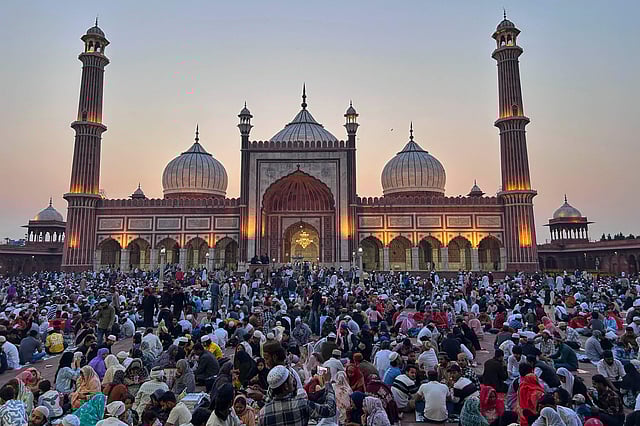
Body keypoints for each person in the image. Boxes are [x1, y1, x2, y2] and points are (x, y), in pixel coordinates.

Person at [259, 365, 336, 426]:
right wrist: (327, 383)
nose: (293, 380)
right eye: (291, 379)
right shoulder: (301, 404)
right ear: (286, 386)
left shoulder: (263, 413)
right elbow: (330, 410)